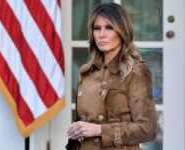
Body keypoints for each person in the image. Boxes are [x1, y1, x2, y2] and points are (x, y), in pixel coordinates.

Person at [66, 2, 157, 150]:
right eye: (97, 28)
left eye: (109, 28)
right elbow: (82, 125)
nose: (102, 34)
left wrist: (100, 130)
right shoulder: (86, 72)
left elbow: (148, 129)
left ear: (122, 31)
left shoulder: (136, 72)